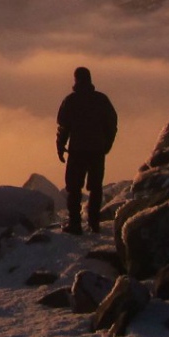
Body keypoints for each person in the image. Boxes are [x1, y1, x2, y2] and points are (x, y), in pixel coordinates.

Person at [56, 66, 117, 235]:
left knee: (74, 187)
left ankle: (75, 224)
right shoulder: (101, 100)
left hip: (77, 151)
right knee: (95, 187)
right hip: (97, 150)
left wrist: (60, 147)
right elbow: (111, 124)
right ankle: (94, 223)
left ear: (76, 80)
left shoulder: (71, 101)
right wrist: (107, 144)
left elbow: (63, 127)